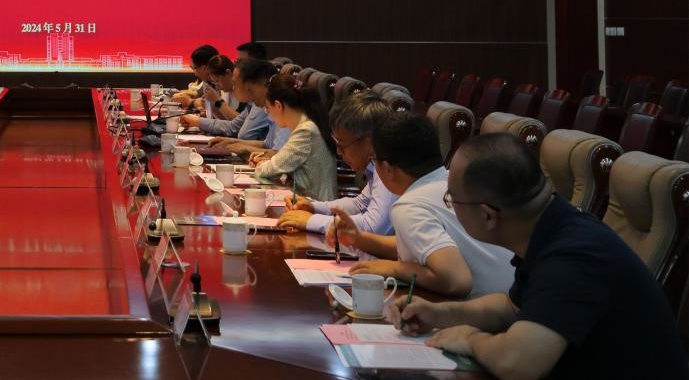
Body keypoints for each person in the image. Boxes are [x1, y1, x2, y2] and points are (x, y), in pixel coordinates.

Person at [388, 134, 687, 380]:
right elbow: (512, 306)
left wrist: (469, 339)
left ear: (488, 216)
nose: (450, 205)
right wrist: (440, 314)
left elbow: (518, 364)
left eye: (451, 199)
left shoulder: (574, 255)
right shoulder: (552, 226)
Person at [343, 115, 513, 298]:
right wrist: (360, 239)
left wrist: (395, 268)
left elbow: (457, 281)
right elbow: (422, 247)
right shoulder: (452, 181)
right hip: (518, 299)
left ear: (388, 169)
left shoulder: (410, 206)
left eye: (373, 159)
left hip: (492, 310)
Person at [277, 89, 397, 236]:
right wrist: (313, 207)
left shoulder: (391, 167)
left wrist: (312, 221)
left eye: (342, 144)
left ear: (369, 141)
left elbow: (374, 227)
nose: (339, 152)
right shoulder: (375, 164)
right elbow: (359, 204)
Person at [249, 73, 337, 199]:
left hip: (316, 206)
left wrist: (261, 165)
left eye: (268, 108)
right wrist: (267, 162)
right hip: (308, 201)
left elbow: (272, 168)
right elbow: (281, 163)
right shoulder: (307, 124)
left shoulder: (305, 131)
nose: (268, 114)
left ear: (278, 106)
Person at [179, 57, 286, 156]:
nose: (233, 88)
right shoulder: (261, 104)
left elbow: (280, 155)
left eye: (235, 83)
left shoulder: (281, 107)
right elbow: (267, 144)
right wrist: (232, 142)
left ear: (249, 85)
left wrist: (245, 148)